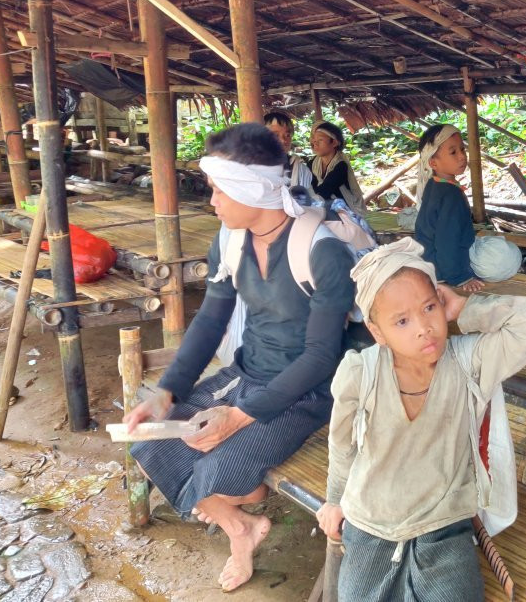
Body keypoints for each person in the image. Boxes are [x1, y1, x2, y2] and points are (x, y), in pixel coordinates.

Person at [125, 123, 356, 592]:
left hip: (308, 390)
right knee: (151, 441)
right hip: (247, 374)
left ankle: (241, 522)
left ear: (251, 189)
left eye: (218, 189)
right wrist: (166, 393)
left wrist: (238, 416)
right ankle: (241, 529)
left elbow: (320, 357)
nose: (211, 201)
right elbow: (210, 322)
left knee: (219, 471)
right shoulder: (229, 241)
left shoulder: (322, 250)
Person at [316, 238, 526, 602]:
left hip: (444, 522)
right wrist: (334, 499)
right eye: (401, 320)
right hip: (371, 521)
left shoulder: (469, 361)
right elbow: (342, 444)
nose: (423, 328)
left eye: (429, 307)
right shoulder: (358, 373)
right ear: (377, 332)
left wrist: (466, 308)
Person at [414, 124, 522, 292]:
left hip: (430, 260)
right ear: (433, 163)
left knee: (502, 252)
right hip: (443, 268)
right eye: (453, 152)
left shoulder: (434, 184)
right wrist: (461, 278)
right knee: (506, 258)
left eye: (462, 150)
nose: (462, 157)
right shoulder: (451, 195)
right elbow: (446, 242)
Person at [309, 121, 366, 214]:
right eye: (314, 141)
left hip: (348, 211)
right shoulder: (313, 163)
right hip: (327, 207)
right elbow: (310, 186)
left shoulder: (341, 165)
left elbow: (325, 190)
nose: (315, 144)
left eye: (320, 140)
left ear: (334, 142)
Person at [264, 110, 319, 204]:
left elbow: (309, 204)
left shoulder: (299, 169)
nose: (283, 140)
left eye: (287, 135)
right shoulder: (247, 169)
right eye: (275, 135)